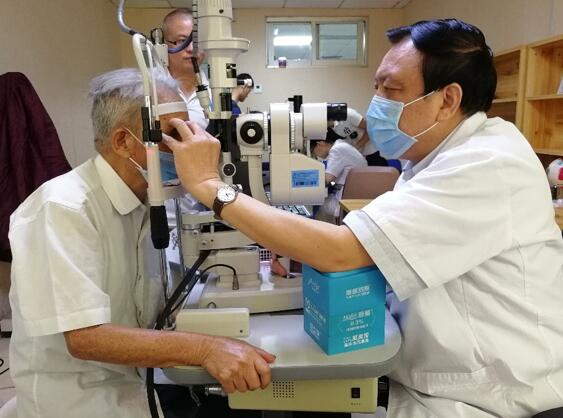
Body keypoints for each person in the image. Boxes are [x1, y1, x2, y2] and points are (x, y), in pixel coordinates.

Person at [161, 18, 563, 418]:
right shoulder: (430, 160)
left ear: (447, 99)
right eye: (377, 87)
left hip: (493, 401)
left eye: (392, 89)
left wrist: (211, 186)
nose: (377, 103)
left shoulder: (487, 164)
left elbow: (343, 250)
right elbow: (383, 246)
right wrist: (298, 249)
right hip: (433, 380)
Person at [8, 68, 274, 418]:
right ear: (123, 141)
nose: (186, 147)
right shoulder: (63, 209)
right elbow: (86, 338)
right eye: (173, 135)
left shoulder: (151, 199)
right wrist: (206, 348)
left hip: (138, 380)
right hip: (81, 399)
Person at [162, 8, 208, 129]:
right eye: (182, 41)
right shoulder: (149, 87)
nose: (192, 49)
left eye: (198, 41)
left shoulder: (216, 91)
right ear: (164, 45)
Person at [310, 128, 367, 223]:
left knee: (315, 206)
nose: (315, 154)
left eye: (313, 151)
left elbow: (326, 180)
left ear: (320, 144)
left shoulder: (337, 150)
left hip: (347, 199)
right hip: (353, 194)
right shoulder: (341, 145)